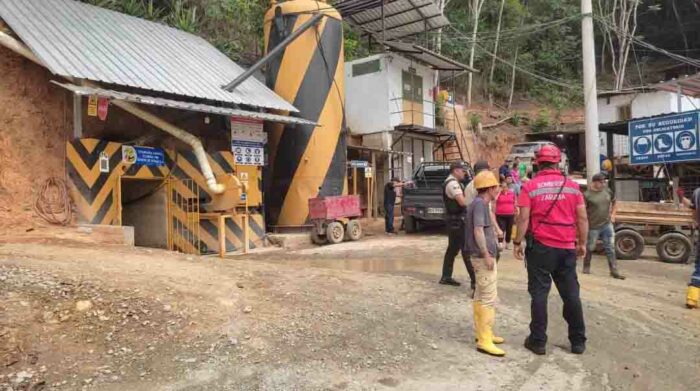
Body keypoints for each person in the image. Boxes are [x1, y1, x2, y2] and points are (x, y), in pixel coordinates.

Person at [513, 144, 589, 356]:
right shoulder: (573, 187)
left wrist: (517, 242)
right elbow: (582, 218)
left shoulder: (530, 187)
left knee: (539, 294)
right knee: (571, 295)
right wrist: (582, 243)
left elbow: (523, 218)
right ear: (558, 163)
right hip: (566, 247)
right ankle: (578, 341)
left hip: (541, 249)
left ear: (538, 163)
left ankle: (538, 341)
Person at [466, 170, 506, 357]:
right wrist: (486, 254)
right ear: (490, 188)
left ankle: (483, 333)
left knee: (480, 296)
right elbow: (478, 231)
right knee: (488, 298)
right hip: (482, 257)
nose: (498, 189)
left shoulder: (480, 203)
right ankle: (484, 340)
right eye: (496, 186)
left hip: (480, 255)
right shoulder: (481, 205)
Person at [440, 162, 477, 289]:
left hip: (454, 221)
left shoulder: (453, 182)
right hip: (456, 221)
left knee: (453, 249)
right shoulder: (452, 184)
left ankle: (446, 276)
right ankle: (475, 281)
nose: (464, 173)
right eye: (462, 171)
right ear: (455, 171)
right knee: (465, 250)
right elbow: (462, 202)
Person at [583, 173, 625, 279]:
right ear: (594, 182)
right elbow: (582, 211)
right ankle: (586, 266)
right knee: (590, 247)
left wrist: (613, 215)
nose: (603, 184)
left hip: (607, 225)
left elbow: (615, 202)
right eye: (601, 182)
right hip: (593, 226)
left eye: (604, 182)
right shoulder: (587, 195)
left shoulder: (607, 191)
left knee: (610, 248)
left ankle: (614, 270)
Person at [464, 161, 504, 240]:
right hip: (480, 228)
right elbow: (487, 211)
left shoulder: (470, 185)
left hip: (472, 226)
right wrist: (497, 229)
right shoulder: (480, 186)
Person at [676, 187, 700, 309]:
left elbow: (693, 208)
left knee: (699, 268)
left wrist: (681, 197)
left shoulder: (697, 192)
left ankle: (691, 299)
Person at [495, 179, 518, 250]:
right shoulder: (498, 194)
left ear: (507, 187)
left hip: (510, 214)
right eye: (502, 186)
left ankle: (507, 243)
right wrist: (499, 192)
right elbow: (495, 199)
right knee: (501, 229)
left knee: (509, 229)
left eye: (505, 187)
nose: (504, 188)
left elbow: (515, 202)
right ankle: (500, 244)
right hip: (500, 214)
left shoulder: (511, 193)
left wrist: (516, 210)